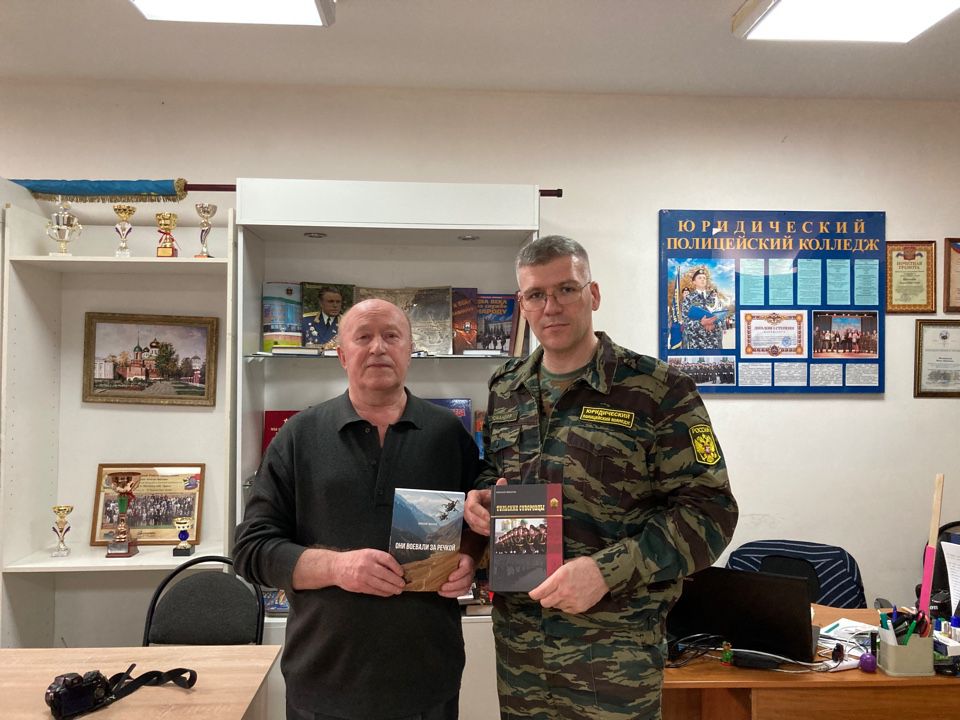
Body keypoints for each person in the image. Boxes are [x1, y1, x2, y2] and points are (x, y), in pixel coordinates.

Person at [464, 236, 738, 720]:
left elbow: (711, 514)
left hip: (614, 656)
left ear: (593, 294)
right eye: (536, 295)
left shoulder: (658, 390)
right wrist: (483, 499)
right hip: (521, 651)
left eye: (566, 289)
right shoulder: (507, 387)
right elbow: (498, 471)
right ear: (523, 305)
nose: (551, 306)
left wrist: (604, 572)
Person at [234, 298, 483, 720]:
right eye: (363, 337)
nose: (378, 347)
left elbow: (475, 522)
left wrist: (469, 559)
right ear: (342, 355)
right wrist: (338, 568)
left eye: (391, 336)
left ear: (410, 350)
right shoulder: (298, 435)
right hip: (324, 682)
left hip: (428, 680)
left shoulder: (448, 435)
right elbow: (251, 550)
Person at [680, 266, 725, 350]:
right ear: (694, 282)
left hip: (713, 343)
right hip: (696, 344)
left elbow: (721, 320)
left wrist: (714, 324)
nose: (703, 280)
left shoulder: (713, 299)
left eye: (704, 278)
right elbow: (686, 322)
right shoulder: (688, 299)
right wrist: (701, 323)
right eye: (700, 278)